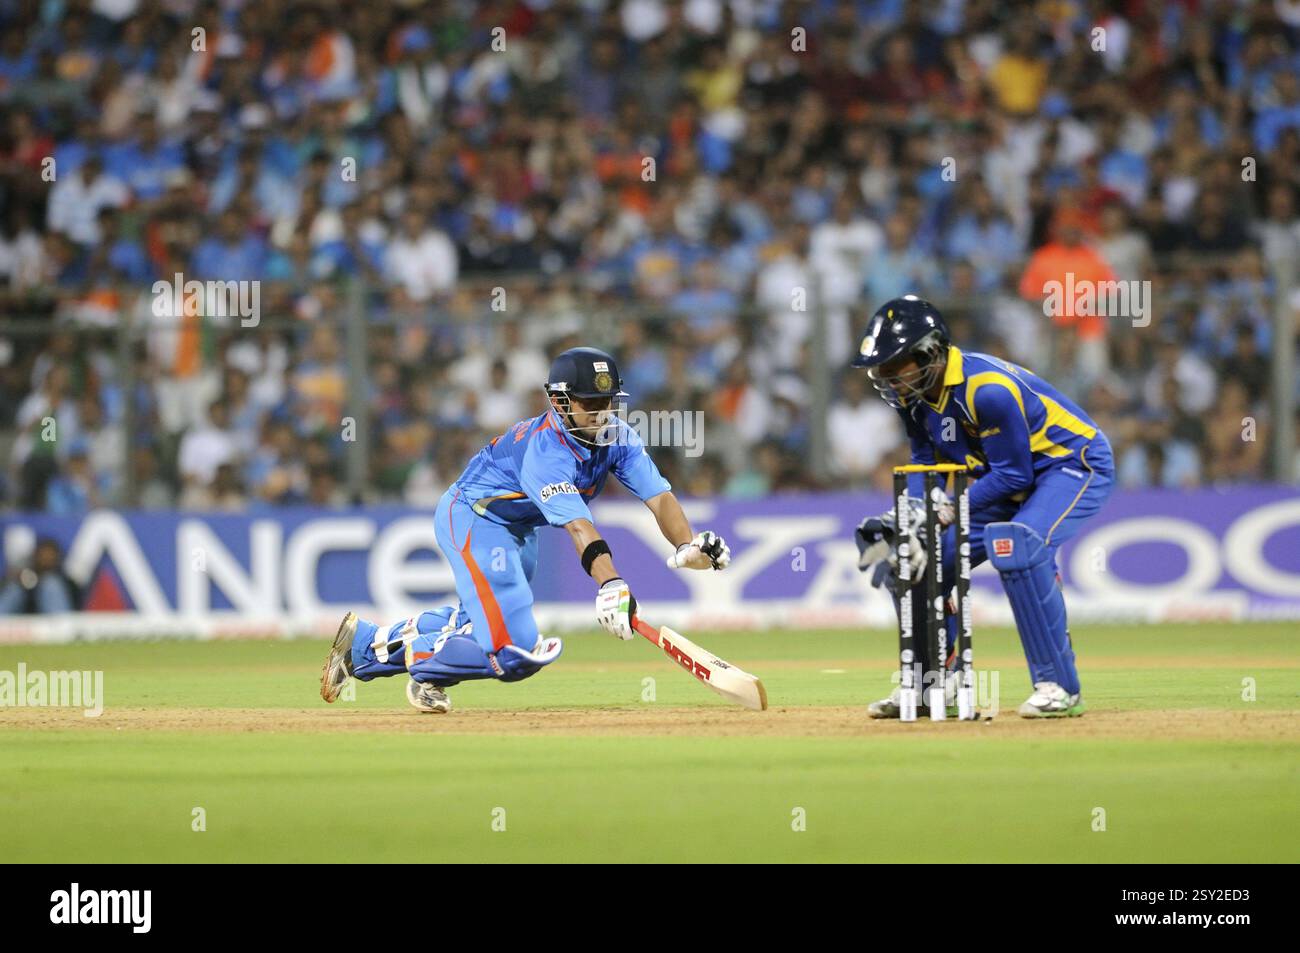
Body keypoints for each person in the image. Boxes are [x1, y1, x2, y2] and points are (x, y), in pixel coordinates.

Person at [320, 347, 731, 713]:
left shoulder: (618, 437)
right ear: (560, 401)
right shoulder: (546, 452)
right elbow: (577, 525)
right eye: (591, 403)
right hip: (474, 518)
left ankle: (365, 646)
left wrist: (686, 543)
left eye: (609, 401)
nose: (603, 413)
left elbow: (658, 496)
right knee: (513, 652)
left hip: (517, 530)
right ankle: (422, 660)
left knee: (479, 624)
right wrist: (610, 584)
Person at [852, 296, 1114, 718]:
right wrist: (915, 515)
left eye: (894, 365)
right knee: (915, 557)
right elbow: (926, 463)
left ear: (930, 354)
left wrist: (943, 511)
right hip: (1005, 479)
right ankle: (932, 683)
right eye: (880, 369)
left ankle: (1059, 687)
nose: (886, 378)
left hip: (1070, 464)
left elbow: (1016, 475)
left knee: (1018, 545)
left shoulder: (986, 389)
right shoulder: (913, 396)